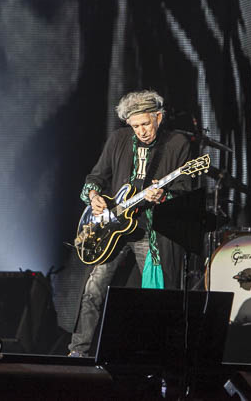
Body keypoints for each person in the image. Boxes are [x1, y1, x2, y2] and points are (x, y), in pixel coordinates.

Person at [68, 90, 191, 357]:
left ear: (158, 117)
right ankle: (78, 351)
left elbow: (185, 187)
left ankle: (154, 355)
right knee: (93, 289)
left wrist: (164, 195)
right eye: (135, 126)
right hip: (114, 226)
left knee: (155, 294)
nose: (141, 131)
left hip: (149, 230)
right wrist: (93, 195)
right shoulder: (118, 139)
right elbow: (96, 176)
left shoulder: (177, 142)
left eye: (145, 124)